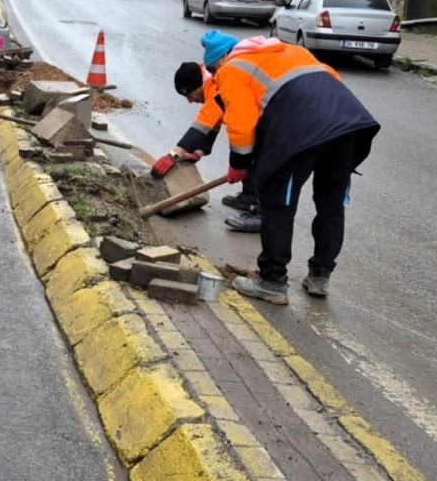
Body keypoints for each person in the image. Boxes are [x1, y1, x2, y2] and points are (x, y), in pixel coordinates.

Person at [199, 29, 380, 305]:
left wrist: (240, 163)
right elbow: (330, 81)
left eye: (212, 71)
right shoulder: (290, 51)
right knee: (331, 206)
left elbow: (241, 122)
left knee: (278, 206)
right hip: (349, 126)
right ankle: (320, 276)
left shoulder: (232, 68)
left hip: (300, 133)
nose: (214, 78)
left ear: (220, 60)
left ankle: (272, 282)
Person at [151, 62, 261, 231]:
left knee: (261, 160)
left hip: (266, 122)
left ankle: (262, 213)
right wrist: (199, 152)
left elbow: (202, 125)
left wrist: (173, 155)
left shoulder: (215, 88)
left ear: (197, 86)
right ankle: (249, 195)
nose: (190, 101)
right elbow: (213, 124)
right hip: (255, 124)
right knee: (247, 151)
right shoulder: (211, 86)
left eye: (189, 95)